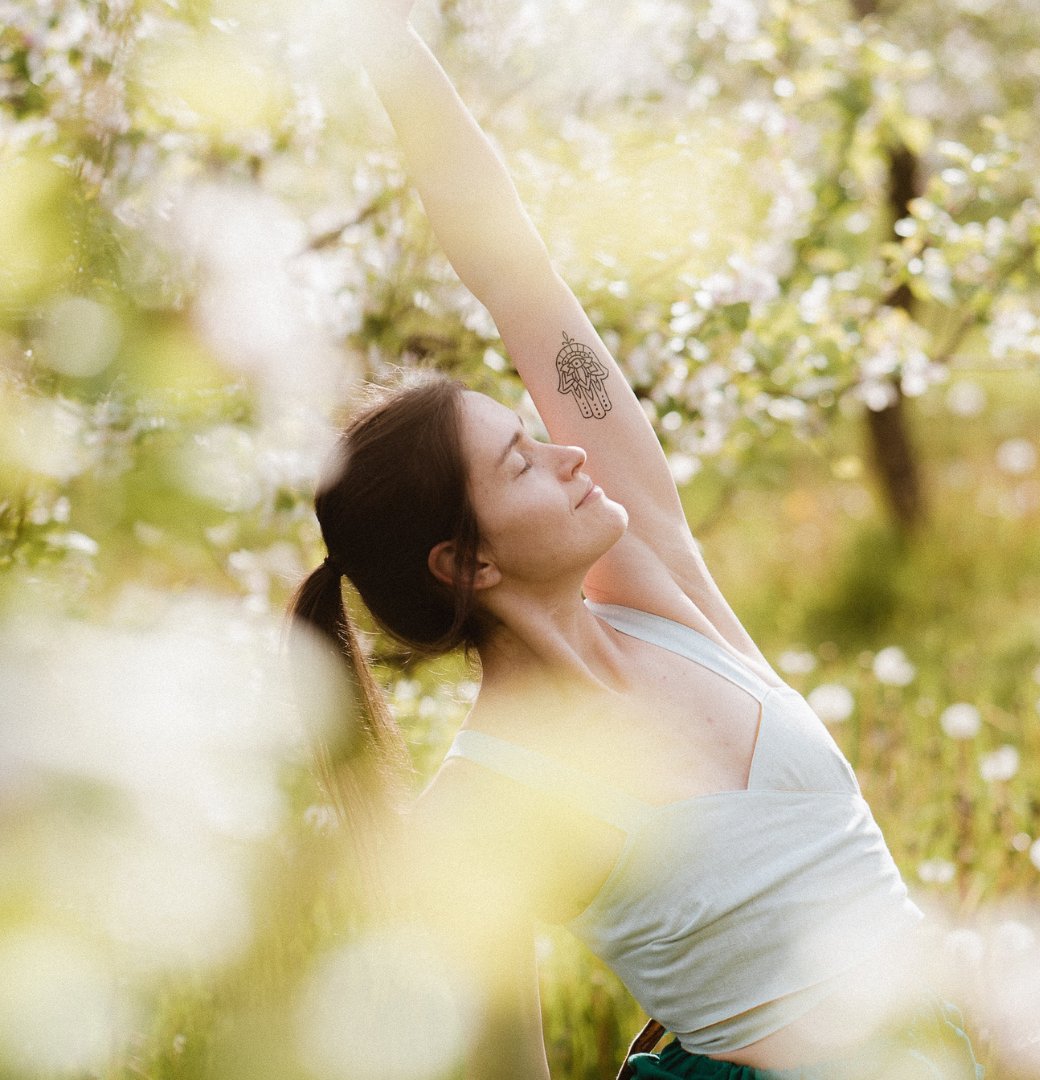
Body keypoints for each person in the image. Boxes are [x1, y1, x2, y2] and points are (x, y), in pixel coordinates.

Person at [289, 4, 984, 1078]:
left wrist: (389, 45)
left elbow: (516, 275)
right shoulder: (489, 801)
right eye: (521, 463)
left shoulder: (657, 587)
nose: (569, 455)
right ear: (466, 565)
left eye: (537, 434)